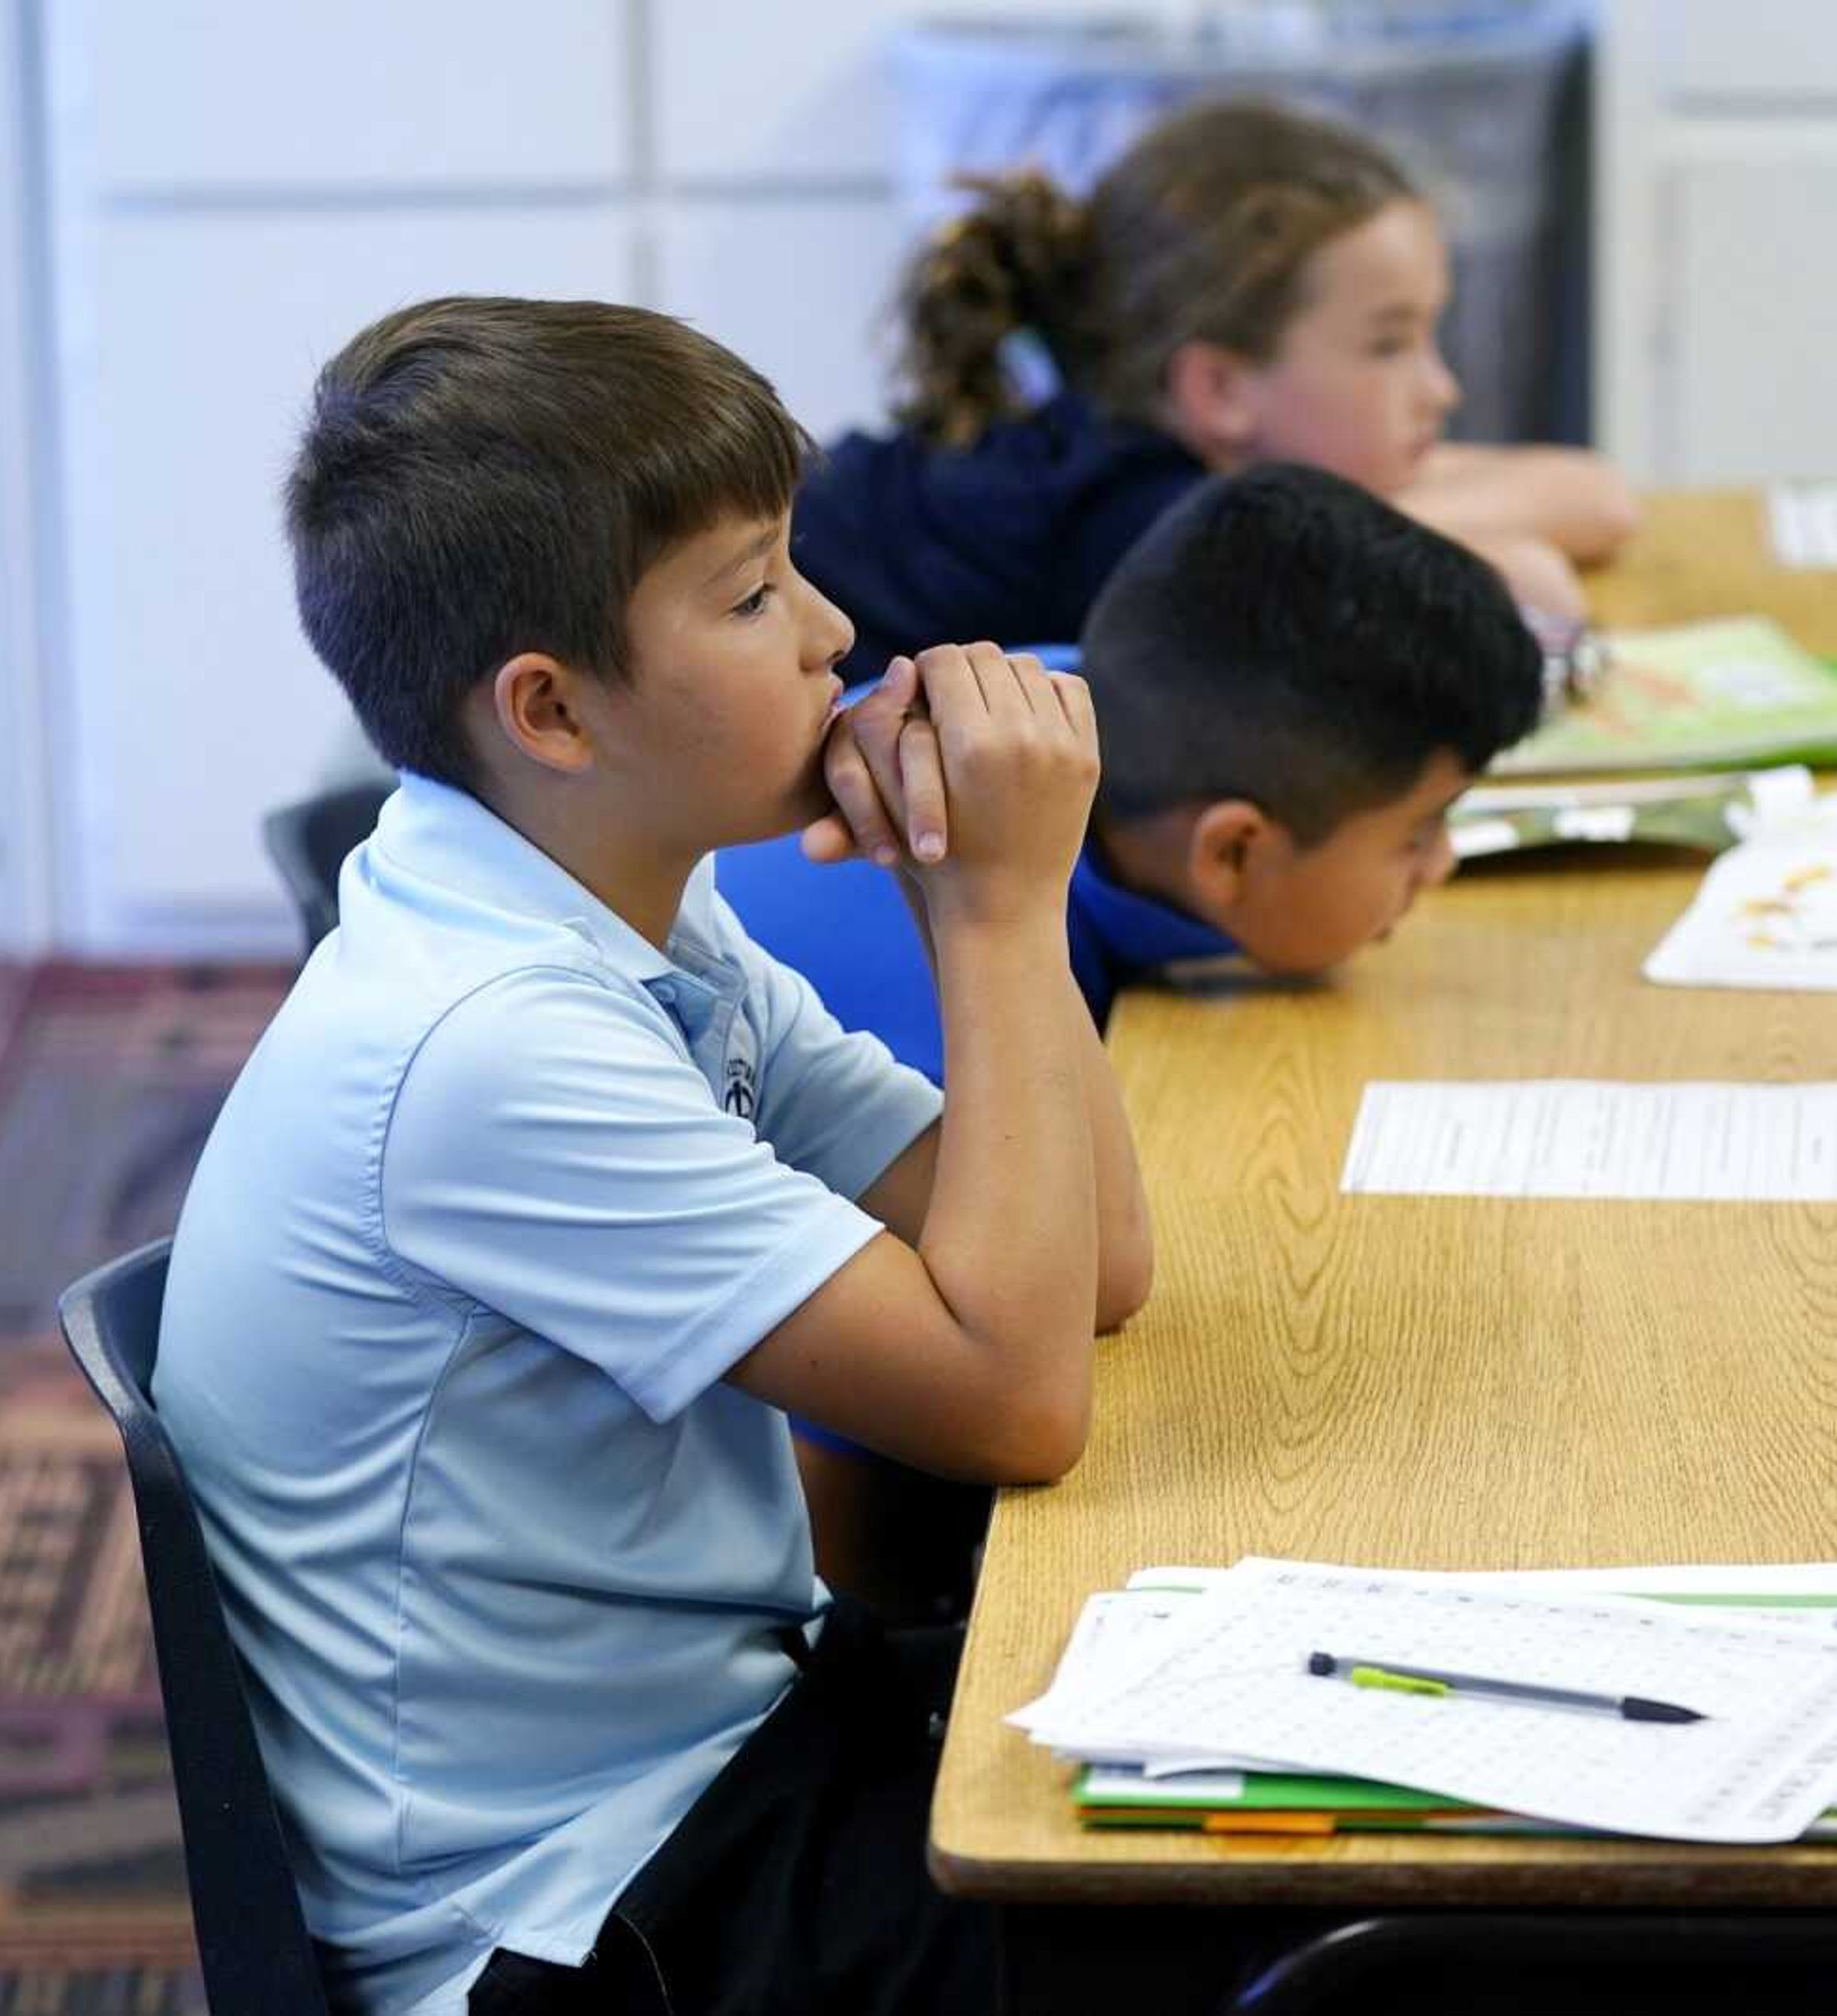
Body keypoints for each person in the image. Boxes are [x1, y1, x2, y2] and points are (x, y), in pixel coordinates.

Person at [150, 295, 1150, 2016]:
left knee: (1175, 1769)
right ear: (550, 710)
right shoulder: (494, 1044)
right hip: (584, 1917)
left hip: (726, 1745)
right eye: (754, 593)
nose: (836, 628)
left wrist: (972, 894)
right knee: (1253, 1933)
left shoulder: (633, 909)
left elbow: (1099, 1268)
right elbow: (1017, 1396)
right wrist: (998, 910)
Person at [734, 461, 1544, 1610]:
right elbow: (846, 1494)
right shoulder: (905, 954)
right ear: (1232, 854)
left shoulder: (1067, 732)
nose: (1440, 867)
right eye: (1418, 832)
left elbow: (1099, 1272)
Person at [791, 94, 1636, 683]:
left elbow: (1595, 496)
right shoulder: (1146, 521)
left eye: (1431, 334)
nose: (1441, 388)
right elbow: (1533, 576)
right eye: (1390, 345)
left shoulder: (1132, 440)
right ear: (1220, 389)